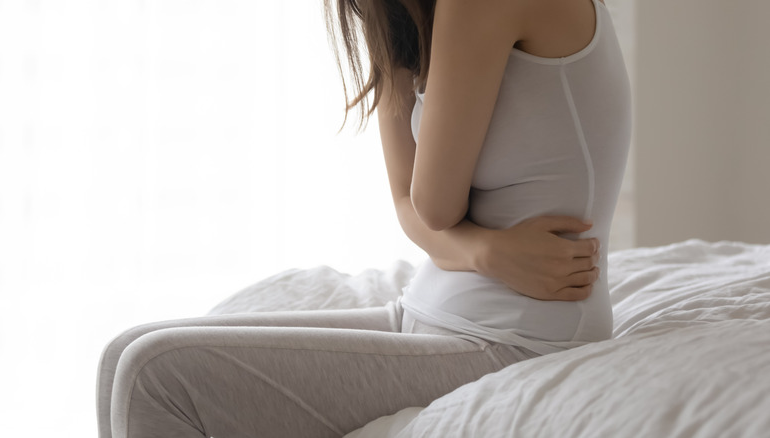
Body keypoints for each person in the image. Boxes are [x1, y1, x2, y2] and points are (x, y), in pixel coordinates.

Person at [96, 0, 630, 436]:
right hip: (431, 311)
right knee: (121, 354)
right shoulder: (422, 17)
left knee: (153, 373)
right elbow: (405, 205)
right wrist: (485, 252)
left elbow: (434, 206)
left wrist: (463, 243)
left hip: (518, 338)